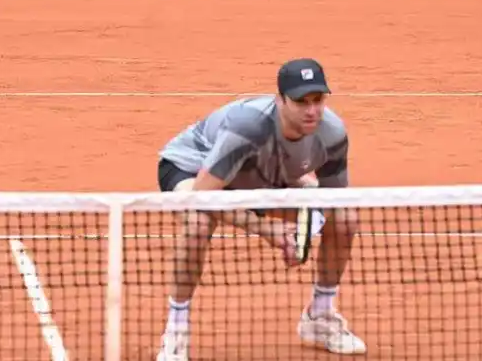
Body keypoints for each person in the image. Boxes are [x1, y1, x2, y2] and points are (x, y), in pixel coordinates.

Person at [154, 58, 366, 360]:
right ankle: (176, 331)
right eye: (300, 101)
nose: (311, 110)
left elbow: (334, 202)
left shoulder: (331, 134)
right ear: (280, 100)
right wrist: (268, 229)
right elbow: (203, 196)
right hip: (195, 170)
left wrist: (305, 233)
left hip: (260, 177)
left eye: (317, 100)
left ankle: (320, 316)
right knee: (198, 223)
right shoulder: (248, 127)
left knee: (345, 218)